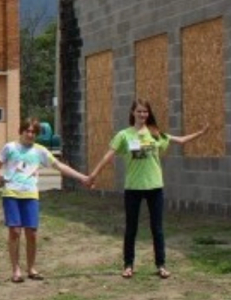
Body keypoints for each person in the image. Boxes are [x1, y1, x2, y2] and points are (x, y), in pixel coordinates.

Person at [87, 99, 208, 279]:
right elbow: (108, 156)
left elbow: (180, 141)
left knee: (157, 228)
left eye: (145, 112)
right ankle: (128, 265)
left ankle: (161, 265)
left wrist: (201, 132)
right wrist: (93, 174)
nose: (142, 114)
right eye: (139, 111)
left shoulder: (155, 134)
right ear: (133, 113)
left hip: (155, 187)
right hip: (133, 188)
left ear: (148, 114)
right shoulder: (124, 135)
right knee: (131, 228)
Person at [0, 117, 93, 283]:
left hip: (30, 195)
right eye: (28, 131)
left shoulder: (40, 151)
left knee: (31, 233)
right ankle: (16, 270)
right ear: (21, 131)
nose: (30, 134)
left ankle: (31, 268)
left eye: (34, 132)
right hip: (11, 193)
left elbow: (60, 166)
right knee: (15, 232)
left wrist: (82, 177)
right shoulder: (9, 147)